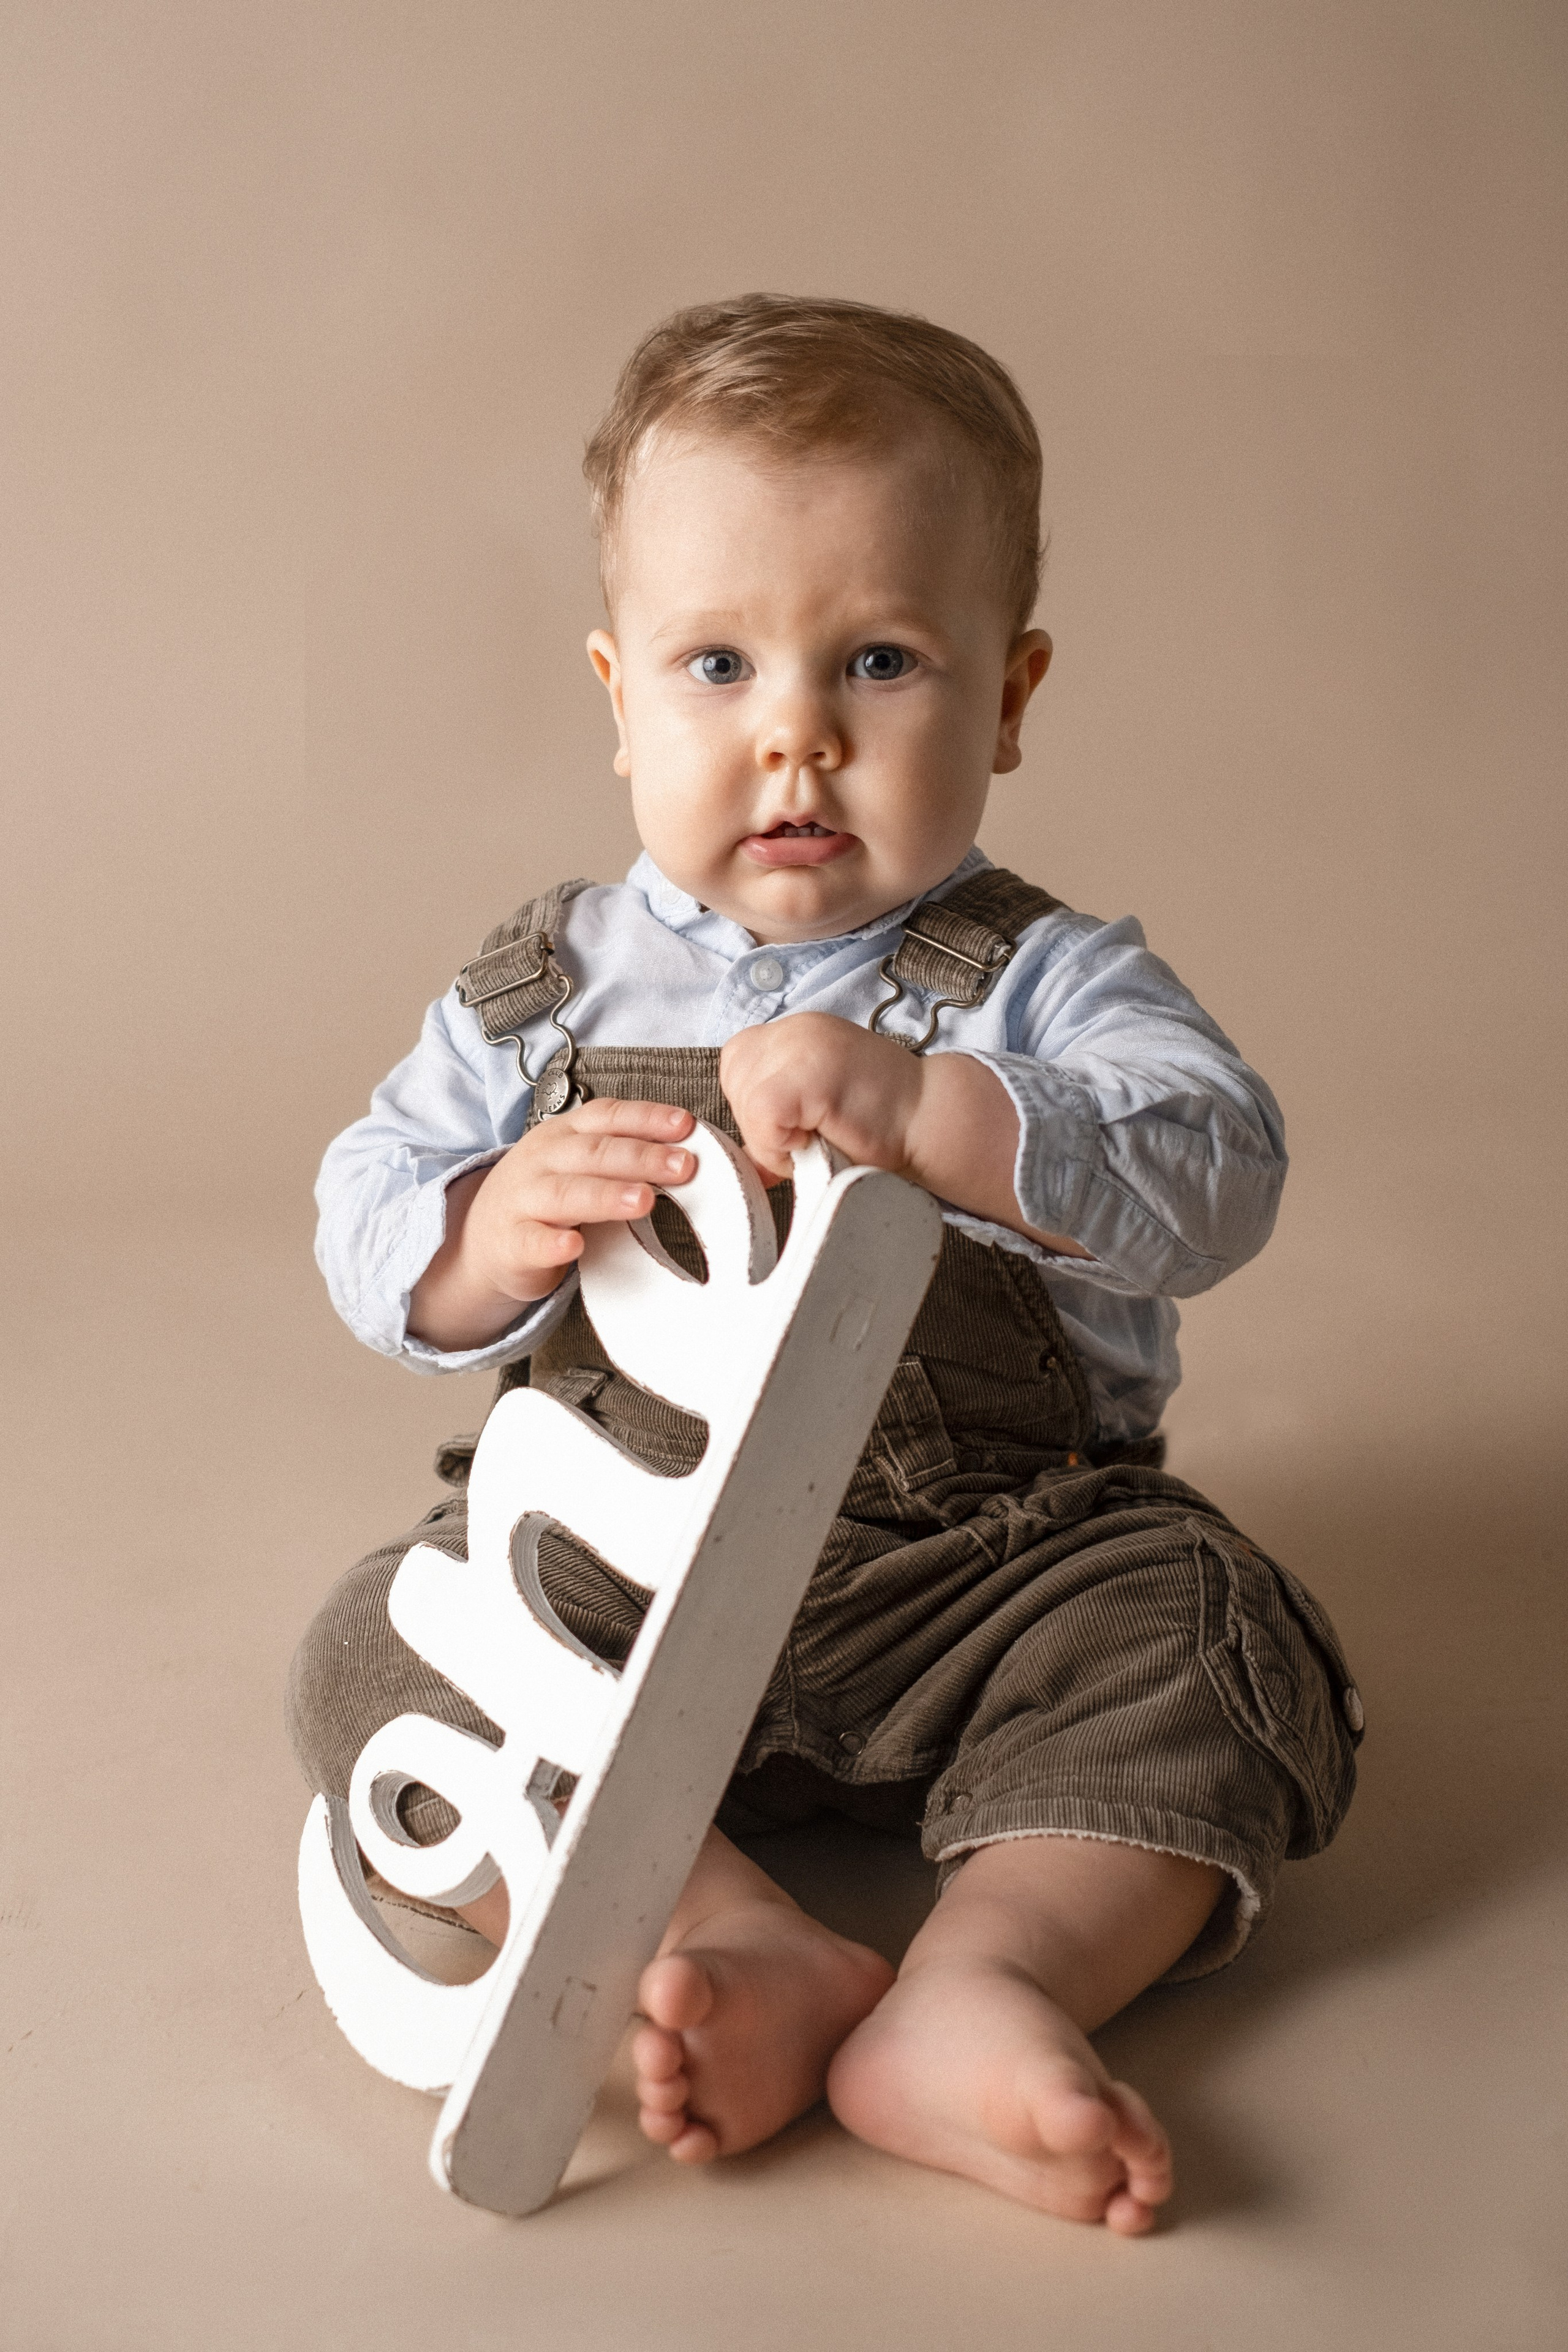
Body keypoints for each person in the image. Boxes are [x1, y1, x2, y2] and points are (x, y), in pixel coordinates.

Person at [290, 293, 1360, 2234]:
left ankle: (985, 1980)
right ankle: (723, 1927)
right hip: (619, 1588)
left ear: (1010, 698)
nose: (796, 735)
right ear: (619, 697)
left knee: (1210, 1633)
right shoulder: (545, 993)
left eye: (879, 659)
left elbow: (1226, 1176)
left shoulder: (1042, 979)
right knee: (383, 1641)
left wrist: (949, 1115)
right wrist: (478, 1234)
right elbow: (367, 1205)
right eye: (719, 665)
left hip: (989, 1582)